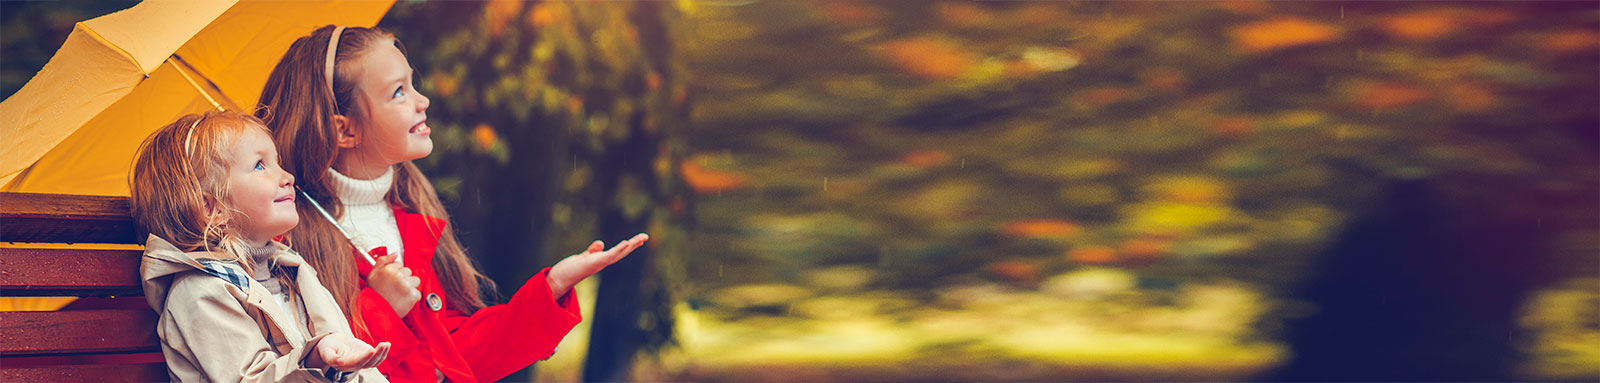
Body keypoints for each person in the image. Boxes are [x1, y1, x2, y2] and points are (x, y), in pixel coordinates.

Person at [255, 25, 648, 382]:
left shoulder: (413, 215)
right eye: (399, 92)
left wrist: (553, 286)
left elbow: (455, 355)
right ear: (345, 129)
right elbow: (311, 368)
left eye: (413, 84)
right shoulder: (288, 243)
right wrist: (380, 308)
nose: (422, 100)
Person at [132, 111, 390, 382]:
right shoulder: (200, 293)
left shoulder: (292, 274)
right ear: (212, 209)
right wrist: (315, 359)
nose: (287, 176)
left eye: (277, 163)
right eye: (260, 165)